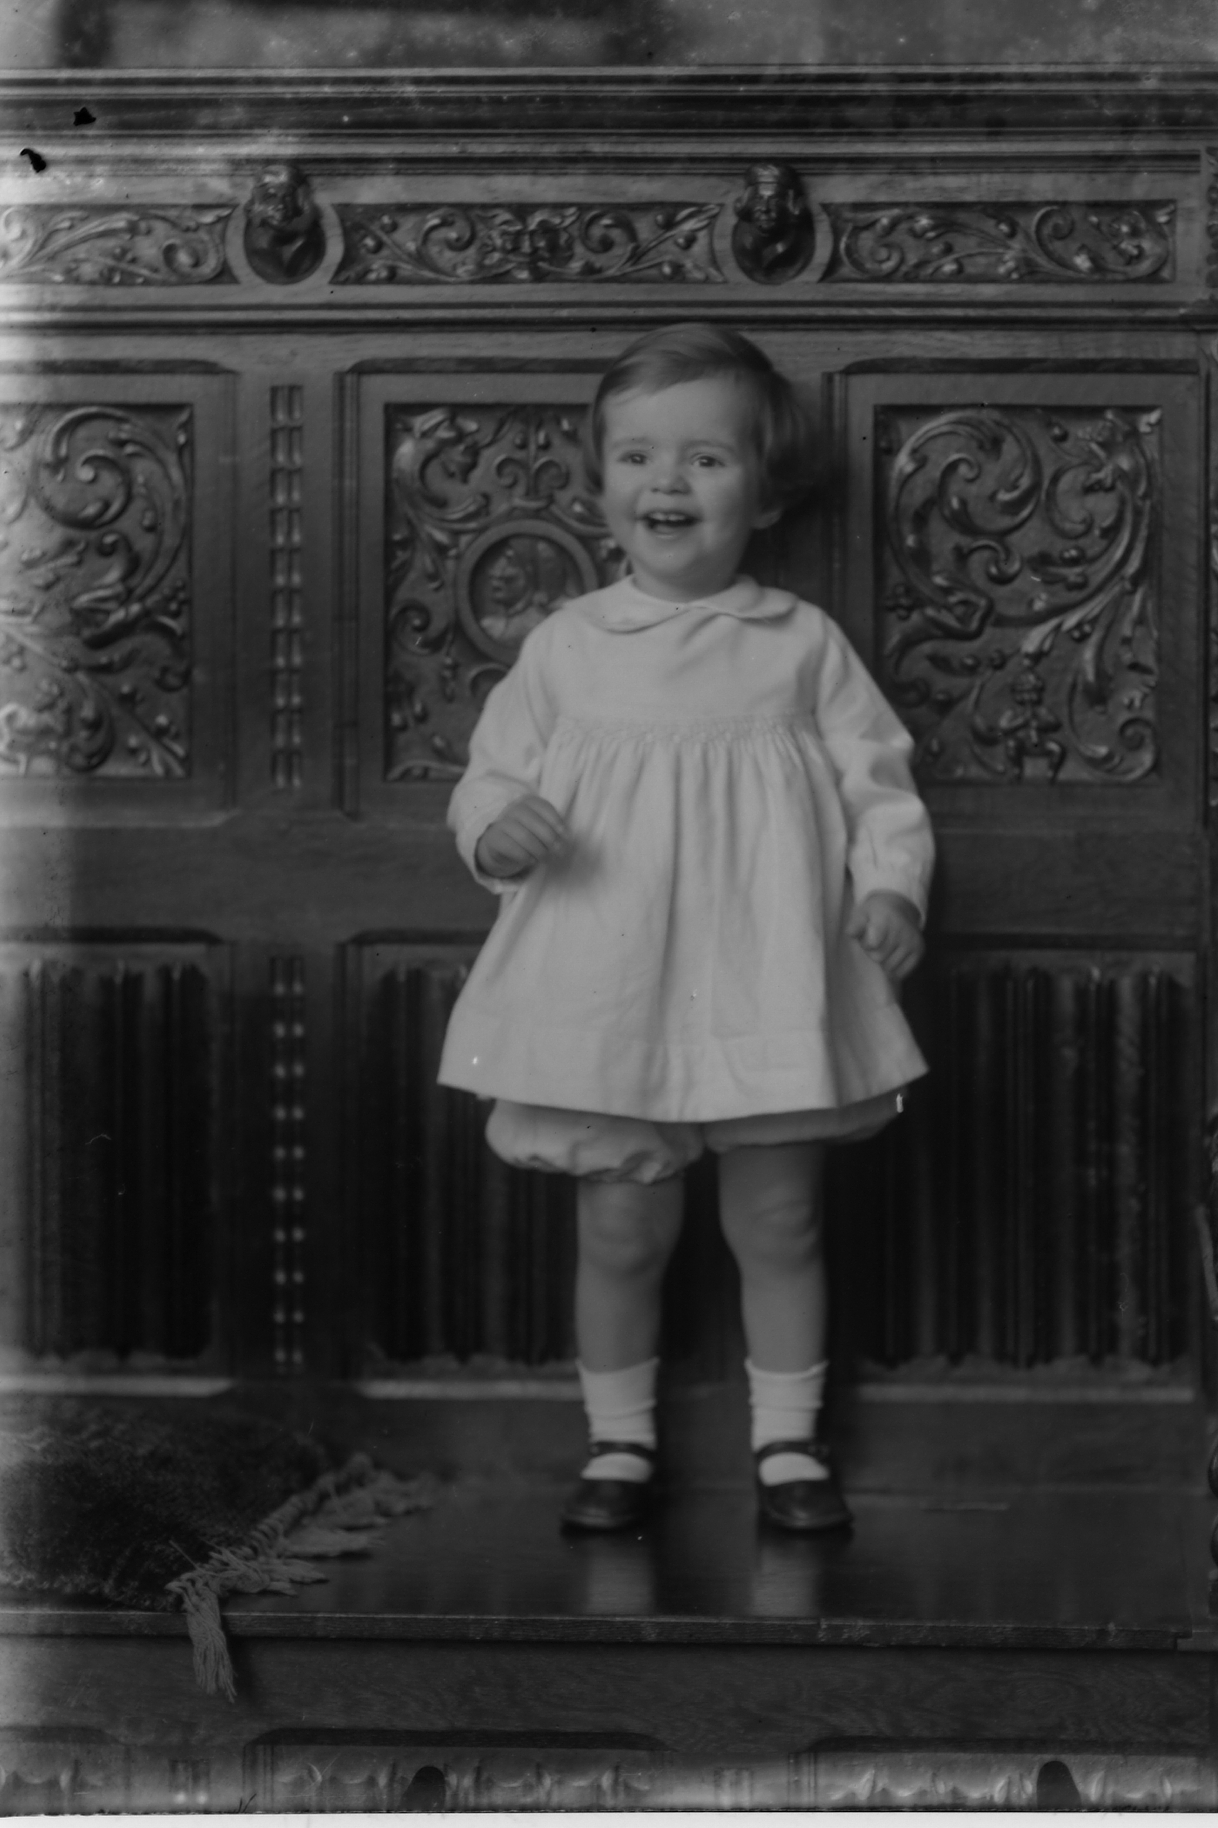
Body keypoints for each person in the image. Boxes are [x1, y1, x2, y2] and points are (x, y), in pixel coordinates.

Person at [438, 323, 934, 1536]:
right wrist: (496, 827)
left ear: (764, 495)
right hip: (610, 972)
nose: (666, 481)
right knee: (620, 1223)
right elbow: (488, 774)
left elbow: (880, 782)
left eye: (706, 458)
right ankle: (618, 1441)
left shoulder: (798, 642)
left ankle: (788, 1442)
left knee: (780, 1216)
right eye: (638, 456)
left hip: (769, 972)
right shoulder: (567, 645)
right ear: (601, 482)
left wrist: (891, 888)